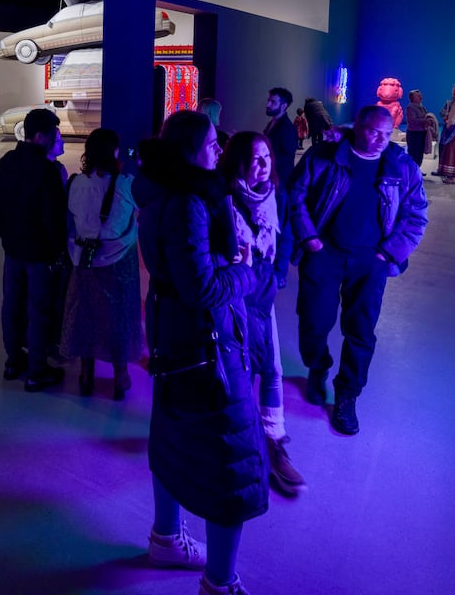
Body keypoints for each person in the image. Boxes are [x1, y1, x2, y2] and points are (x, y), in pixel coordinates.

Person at [135, 109, 265, 595]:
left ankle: (165, 537)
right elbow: (204, 289)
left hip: (174, 336)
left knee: (171, 434)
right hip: (205, 343)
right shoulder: (189, 201)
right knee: (231, 459)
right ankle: (220, 582)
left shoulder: (158, 191)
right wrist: (247, 271)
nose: (219, 150)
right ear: (190, 150)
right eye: (212, 143)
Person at [289, 105, 428, 436]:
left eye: (387, 133)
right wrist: (309, 237)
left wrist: (388, 253)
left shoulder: (400, 166)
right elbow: (295, 196)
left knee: (361, 330)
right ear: (357, 128)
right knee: (313, 321)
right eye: (373, 132)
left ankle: (347, 395)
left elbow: (416, 214)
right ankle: (317, 367)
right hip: (325, 253)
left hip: (371, 261)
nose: (381, 140)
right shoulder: (325, 156)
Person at [221, 131, 305, 497]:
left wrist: (279, 270)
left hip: (264, 290)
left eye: (267, 158)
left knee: (272, 367)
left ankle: (273, 441)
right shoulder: (222, 200)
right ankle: (237, 441)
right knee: (235, 367)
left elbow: (284, 235)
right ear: (238, 162)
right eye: (254, 159)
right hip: (233, 295)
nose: (262, 165)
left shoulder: (277, 196)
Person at [61, 128, 142, 400]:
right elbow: (137, 215)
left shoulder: (74, 184)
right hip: (120, 265)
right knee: (119, 318)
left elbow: (71, 223)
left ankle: (86, 375)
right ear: (114, 152)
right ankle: (121, 377)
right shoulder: (127, 185)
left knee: (85, 315)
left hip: (83, 262)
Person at [0, 107, 68, 390]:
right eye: (53, 134)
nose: (56, 137)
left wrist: (6, 238)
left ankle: (13, 361)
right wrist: (56, 250)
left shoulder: (6, 162)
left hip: (12, 249)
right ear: (39, 136)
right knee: (39, 309)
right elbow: (53, 218)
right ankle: (37, 370)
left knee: (11, 304)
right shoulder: (47, 171)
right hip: (38, 253)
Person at [263, 87, 298, 176]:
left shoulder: (287, 128)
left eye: (273, 102)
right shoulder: (273, 122)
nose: (268, 105)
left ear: (284, 106)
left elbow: (287, 158)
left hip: (279, 178)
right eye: (268, 101)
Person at [404, 89, 428, 167]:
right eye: (418, 96)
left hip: (421, 132)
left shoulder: (422, 107)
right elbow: (412, 120)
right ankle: (412, 171)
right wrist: (425, 121)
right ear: (413, 98)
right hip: (414, 133)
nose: (421, 97)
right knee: (414, 153)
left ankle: (417, 170)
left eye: (420, 95)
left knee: (420, 152)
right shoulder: (410, 107)